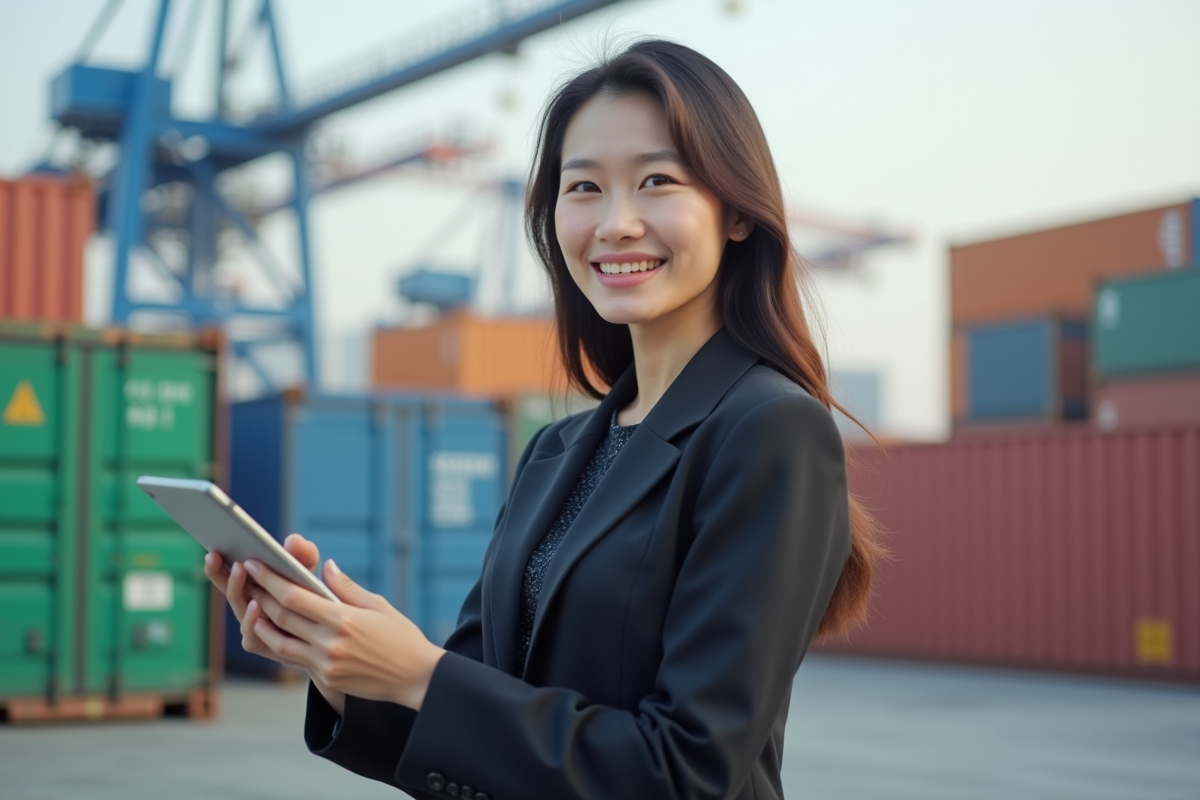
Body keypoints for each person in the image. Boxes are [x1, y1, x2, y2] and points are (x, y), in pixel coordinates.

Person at [204, 39, 883, 800]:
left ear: (735, 214)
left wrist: (421, 674)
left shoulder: (771, 431)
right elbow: (481, 716)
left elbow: (689, 772)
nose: (616, 223)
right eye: (583, 187)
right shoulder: (554, 450)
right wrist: (339, 661)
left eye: (657, 180)